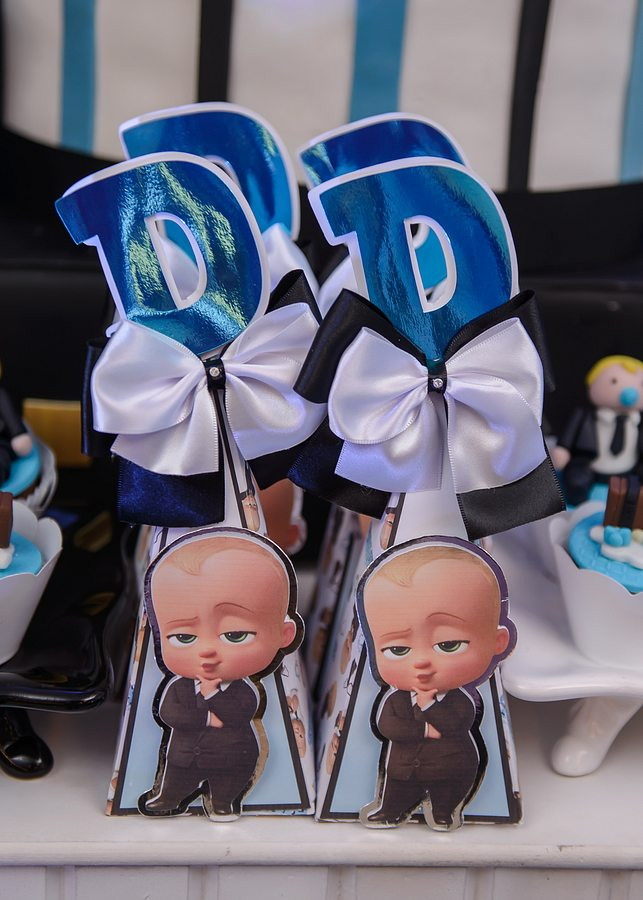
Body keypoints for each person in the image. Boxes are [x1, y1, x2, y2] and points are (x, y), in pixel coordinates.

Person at [139, 530, 299, 819]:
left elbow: (240, 714)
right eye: (184, 637)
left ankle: (224, 802)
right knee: (175, 780)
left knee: (228, 783)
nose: (207, 651)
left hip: (231, 757)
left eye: (235, 635)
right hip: (184, 757)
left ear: (284, 634)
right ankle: (168, 797)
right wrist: (207, 719)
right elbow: (169, 713)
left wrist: (212, 695)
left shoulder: (243, 689)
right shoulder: (179, 687)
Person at [358, 540, 513, 830]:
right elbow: (387, 726)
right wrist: (424, 731)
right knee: (397, 792)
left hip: (450, 766)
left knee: (447, 793)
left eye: (448, 644)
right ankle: (390, 811)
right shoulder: (396, 700)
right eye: (398, 649)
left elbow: (457, 725)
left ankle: (444, 812)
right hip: (403, 769)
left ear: (497, 642)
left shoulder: (461, 700)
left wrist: (429, 706)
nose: (421, 662)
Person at [553, 356, 643, 505]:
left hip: (629, 470)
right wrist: (563, 449)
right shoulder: (584, 416)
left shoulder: (638, 421)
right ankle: (577, 504)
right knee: (576, 482)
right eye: (614, 381)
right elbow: (569, 436)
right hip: (590, 465)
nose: (630, 392)